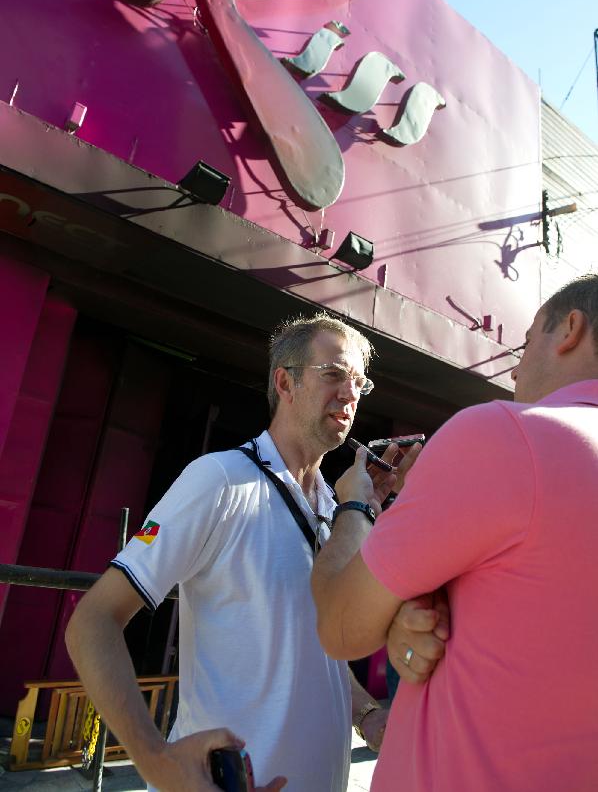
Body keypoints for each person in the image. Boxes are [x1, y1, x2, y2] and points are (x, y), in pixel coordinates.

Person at [66, 312, 424, 791]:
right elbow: (92, 621)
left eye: (360, 382)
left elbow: (314, 647)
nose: (350, 393)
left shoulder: (333, 507)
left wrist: (367, 714)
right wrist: (155, 760)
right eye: (334, 374)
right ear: (285, 382)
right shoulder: (219, 480)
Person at [312, 275, 598, 792]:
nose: (516, 366)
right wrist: (415, 601)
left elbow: (340, 624)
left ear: (571, 329)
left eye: (527, 341)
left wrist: (357, 503)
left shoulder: (509, 436)